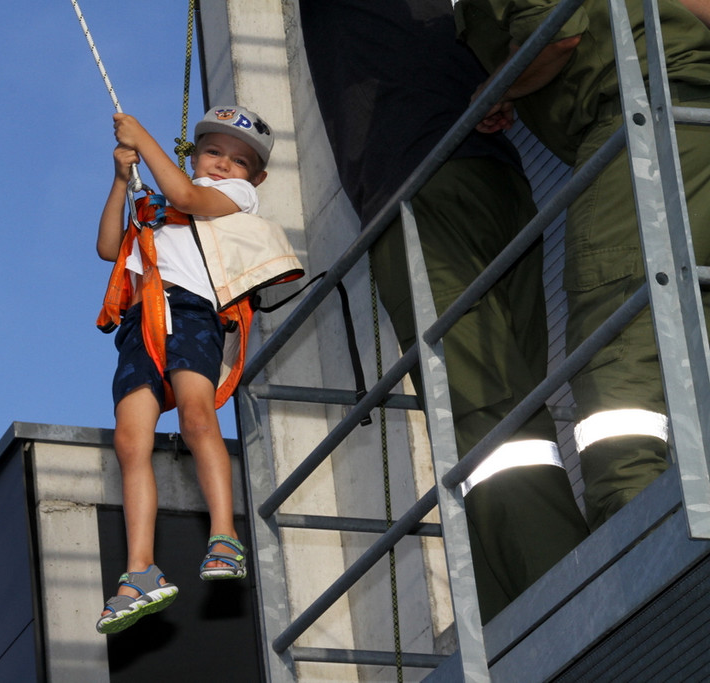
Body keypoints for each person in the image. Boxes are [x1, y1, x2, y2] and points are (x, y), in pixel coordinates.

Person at [300, 0, 590, 623]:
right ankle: (507, 619)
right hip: (494, 183)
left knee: (482, 416)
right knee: (508, 408)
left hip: (421, 193)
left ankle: (568, 593)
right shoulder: (444, 13)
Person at [456, 0, 710, 528]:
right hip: (692, 111)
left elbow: (555, 36)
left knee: (615, 326)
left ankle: (635, 523)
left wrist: (498, 87)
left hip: (642, 120)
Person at [93, 105, 274, 634]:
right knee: (130, 441)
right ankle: (140, 571)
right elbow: (108, 248)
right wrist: (122, 179)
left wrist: (142, 138)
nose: (223, 164)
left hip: (193, 310)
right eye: (213, 151)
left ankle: (224, 536)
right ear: (193, 155)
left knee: (196, 417)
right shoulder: (157, 205)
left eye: (239, 161)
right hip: (141, 319)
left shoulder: (233, 198)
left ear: (254, 178)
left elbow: (191, 198)